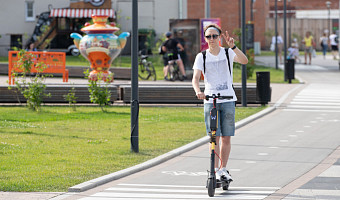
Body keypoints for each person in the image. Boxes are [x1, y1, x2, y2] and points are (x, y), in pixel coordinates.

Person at [192, 24, 248, 182]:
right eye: (208, 36)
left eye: (214, 36)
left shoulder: (227, 52)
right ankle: (214, 170)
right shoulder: (201, 56)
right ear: (205, 38)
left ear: (219, 37)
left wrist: (234, 47)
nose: (211, 39)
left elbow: (244, 61)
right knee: (213, 137)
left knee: (226, 137)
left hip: (228, 99)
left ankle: (223, 169)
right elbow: (195, 78)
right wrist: (198, 91)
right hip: (210, 101)